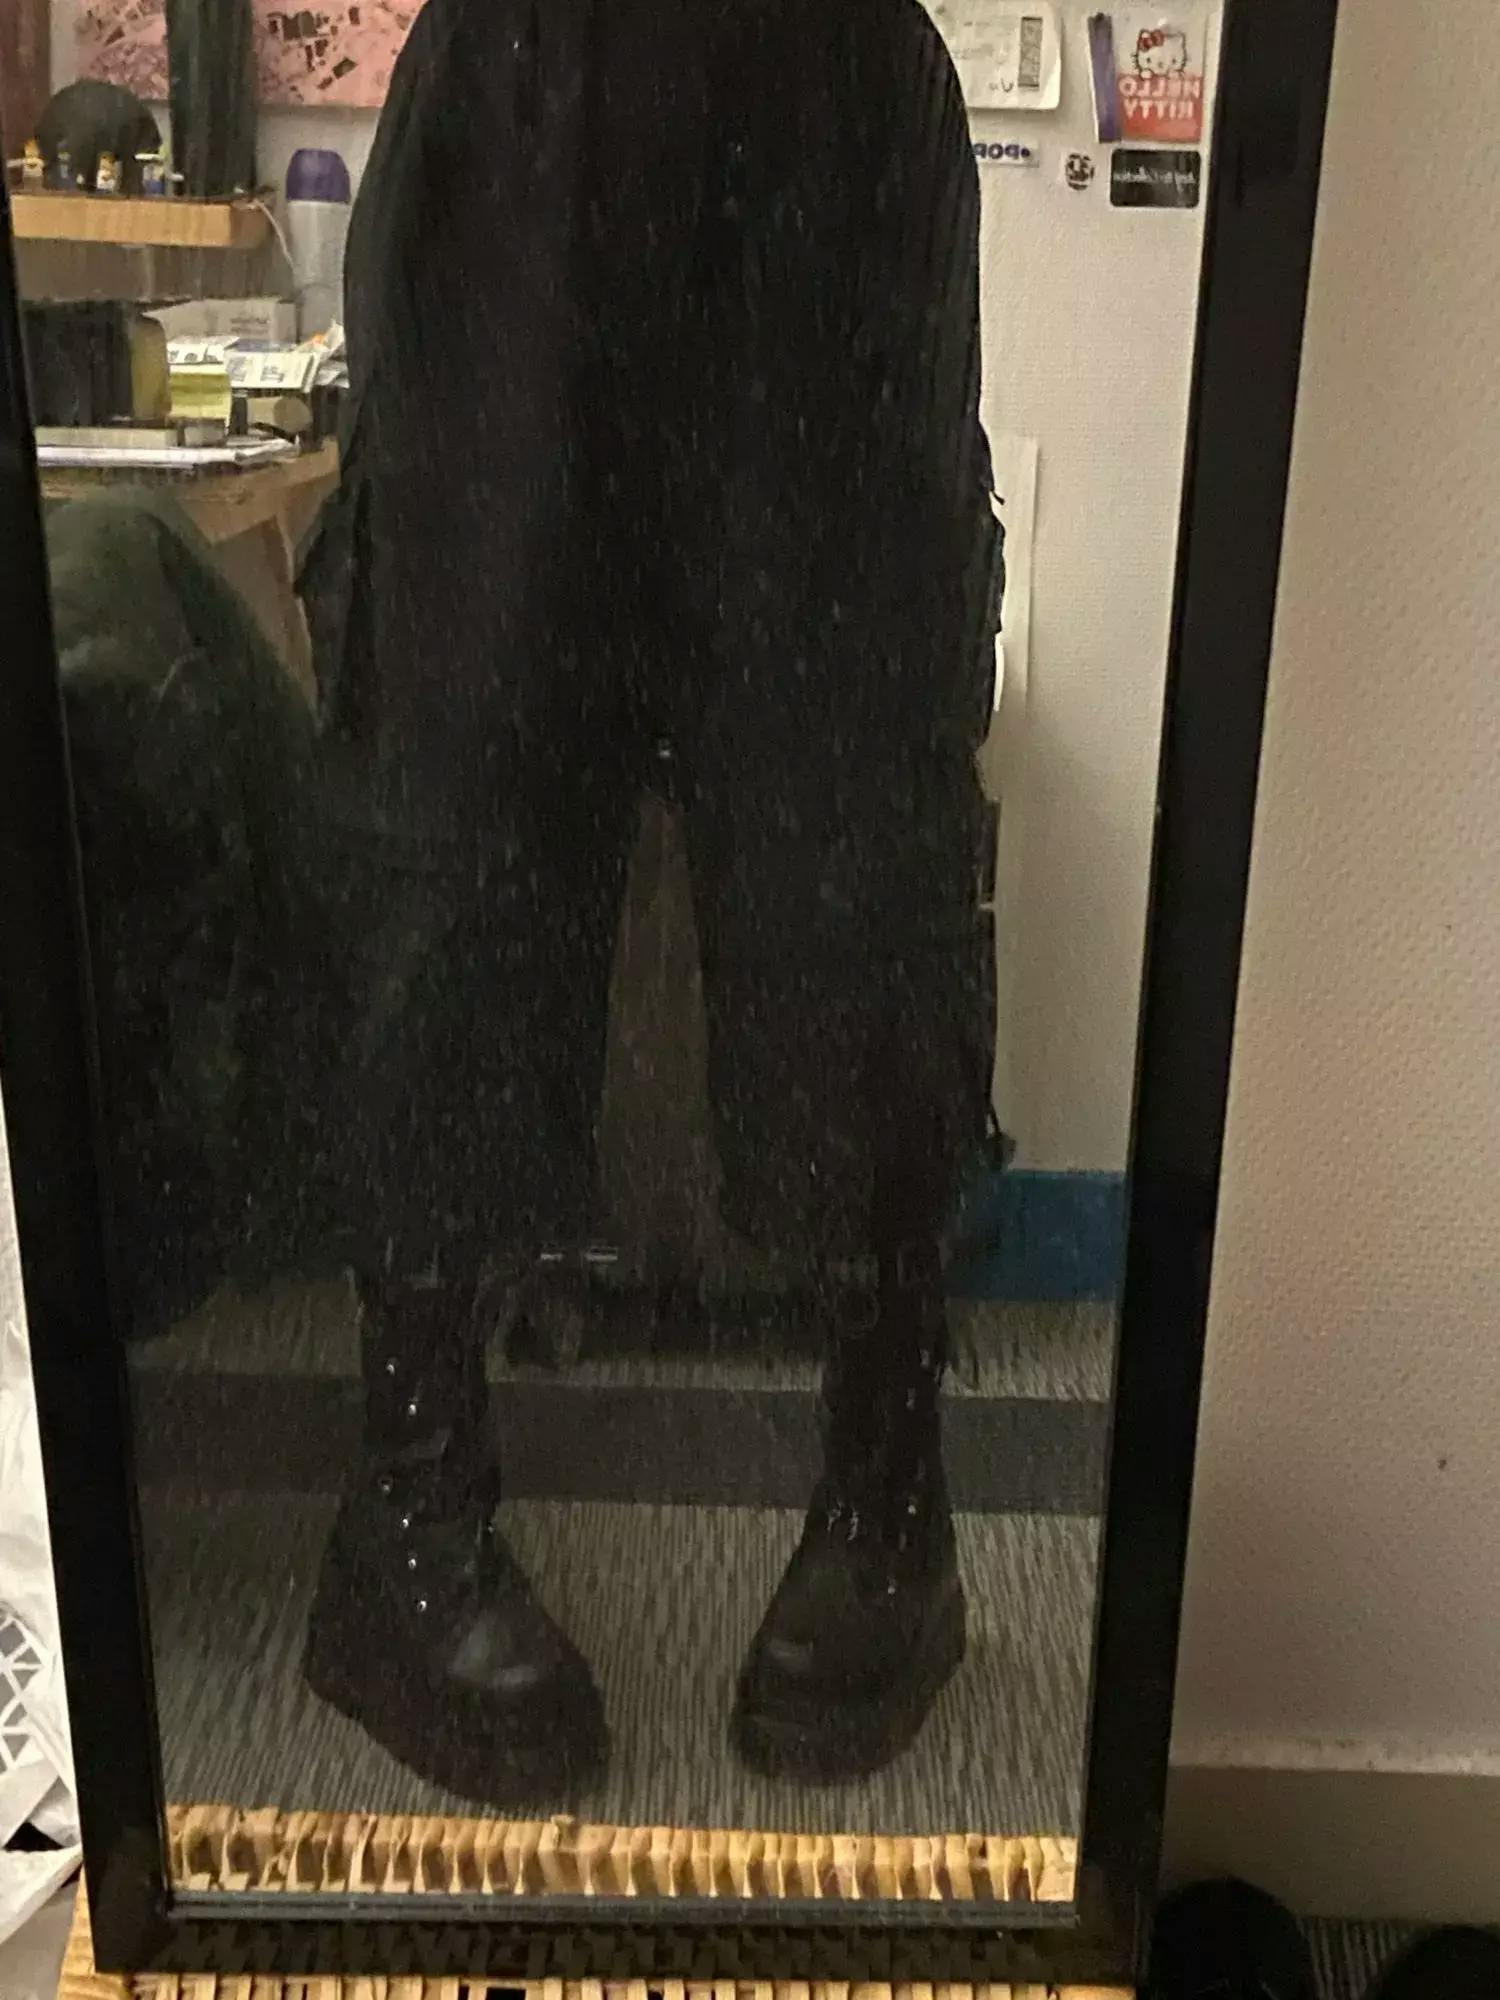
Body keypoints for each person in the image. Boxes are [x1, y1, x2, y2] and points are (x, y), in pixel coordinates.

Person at [298, 0, 1003, 1799]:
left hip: (833, 84)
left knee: (856, 820)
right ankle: (405, 1509)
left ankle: (890, 1495)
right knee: (459, 792)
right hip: (527, 78)